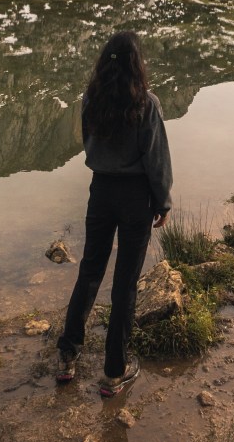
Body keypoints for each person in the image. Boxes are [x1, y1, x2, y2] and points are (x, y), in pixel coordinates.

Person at [56, 30, 173, 396]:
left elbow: (88, 144)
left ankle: (67, 356)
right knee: (125, 282)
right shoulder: (147, 104)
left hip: (101, 191)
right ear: (137, 64)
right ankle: (113, 371)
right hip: (136, 197)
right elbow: (156, 160)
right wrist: (163, 202)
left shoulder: (91, 99)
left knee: (90, 271)